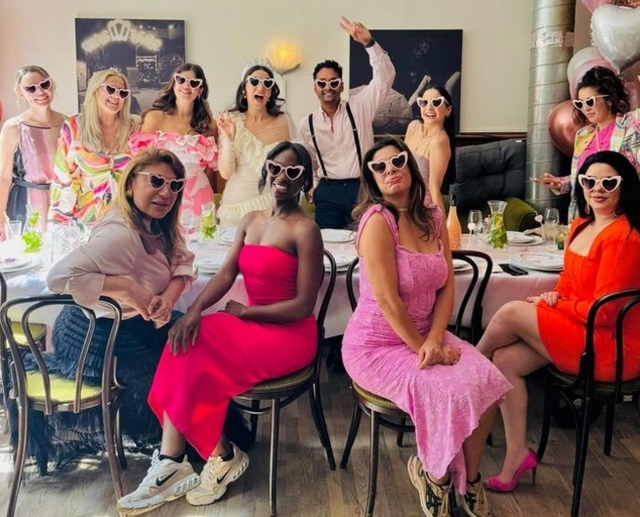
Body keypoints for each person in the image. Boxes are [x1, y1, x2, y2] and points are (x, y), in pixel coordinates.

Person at [117, 142, 323, 514]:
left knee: (199, 349)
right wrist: (193, 311)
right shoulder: (251, 220)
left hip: (290, 333)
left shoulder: (306, 230)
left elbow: (304, 306)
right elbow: (226, 274)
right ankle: (177, 460)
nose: (282, 177)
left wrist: (247, 313)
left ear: (305, 180)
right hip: (253, 325)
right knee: (186, 336)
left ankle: (208, 458)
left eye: (293, 172)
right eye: (276, 167)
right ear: (267, 169)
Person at [342, 136, 511, 517]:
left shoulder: (433, 215)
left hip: (426, 334)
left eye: (397, 160)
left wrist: (434, 339)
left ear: (411, 165)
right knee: (445, 390)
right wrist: (423, 347)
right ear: (372, 179)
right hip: (376, 346)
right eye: (379, 167)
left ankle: (470, 478)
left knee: (487, 379)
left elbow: (447, 284)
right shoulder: (377, 222)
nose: (390, 170)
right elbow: (387, 301)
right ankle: (434, 475)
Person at [477, 151, 640, 494]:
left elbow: (606, 313)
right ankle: (517, 455)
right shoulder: (582, 224)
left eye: (609, 182)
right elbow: (568, 279)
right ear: (581, 186)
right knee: (505, 360)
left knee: (510, 312)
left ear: (624, 186)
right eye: (589, 181)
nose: (597, 189)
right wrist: (555, 296)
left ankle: (467, 370)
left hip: (611, 346)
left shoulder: (625, 237)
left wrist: (560, 305)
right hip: (583, 329)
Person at [42, 147, 196, 465]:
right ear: (130, 184)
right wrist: (126, 288)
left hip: (134, 323)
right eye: (156, 181)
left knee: (193, 340)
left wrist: (167, 299)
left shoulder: (158, 225)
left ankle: (187, 449)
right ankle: (174, 457)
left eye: (174, 185)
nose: (166, 192)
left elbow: (183, 265)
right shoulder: (120, 235)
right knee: (175, 368)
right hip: (96, 333)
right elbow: (57, 278)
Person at [299, 16, 396, 229]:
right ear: (314, 88)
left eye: (334, 82)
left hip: (361, 188)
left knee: (364, 242)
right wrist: (314, 188)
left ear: (342, 86)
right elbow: (310, 162)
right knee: (326, 244)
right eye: (321, 83)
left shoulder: (360, 106)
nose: (328, 87)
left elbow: (385, 78)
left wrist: (369, 43)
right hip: (328, 192)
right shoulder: (307, 124)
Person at [535, 67, 640, 220]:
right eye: (580, 104)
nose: (585, 109)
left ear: (609, 99)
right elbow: (585, 176)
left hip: (621, 215)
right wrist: (561, 183)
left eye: (590, 102)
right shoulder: (583, 135)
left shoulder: (632, 124)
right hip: (585, 216)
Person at [49, 69, 138, 224]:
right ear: (95, 90)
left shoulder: (134, 129)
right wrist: (60, 223)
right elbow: (63, 179)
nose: (116, 96)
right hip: (89, 220)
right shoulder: (74, 127)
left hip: (127, 219)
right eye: (111, 89)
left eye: (123, 93)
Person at [130, 63, 218, 218]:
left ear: (200, 90)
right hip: (160, 195)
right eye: (181, 80)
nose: (186, 86)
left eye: (194, 83)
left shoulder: (207, 126)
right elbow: (140, 163)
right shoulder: (155, 117)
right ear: (173, 83)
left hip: (198, 197)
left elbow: (210, 171)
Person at [216, 63, 296, 228]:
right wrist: (230, 139)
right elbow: (225, 173)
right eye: (254, 82)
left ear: (271, 92)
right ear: (244, 89)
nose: (261, 87)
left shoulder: (284, 120)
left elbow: (294, 167)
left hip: (272, 206)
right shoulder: (230, 119)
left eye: (267, 83)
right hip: (236, 207)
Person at [0, 65, 65, 236]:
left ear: (52, 85)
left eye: (44, 84)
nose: (40, 92)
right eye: (31, 88)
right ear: (20, 93)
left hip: (62, 203)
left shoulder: (68, 124)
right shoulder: (13, 127)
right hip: (25, 205)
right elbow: (4, 177)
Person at [404, 85, 456, 208]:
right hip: (402, 202)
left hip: (421, 208)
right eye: (424, 102)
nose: (429, 107)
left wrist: (440, 219)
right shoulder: (413, 126)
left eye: (436, 102)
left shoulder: (439, 141)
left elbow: (434, 188)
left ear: (448, 110)